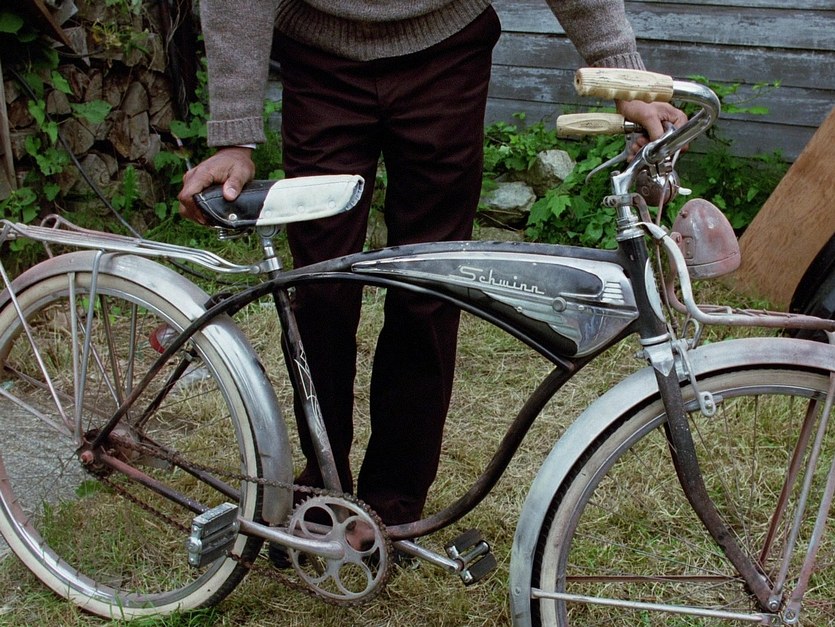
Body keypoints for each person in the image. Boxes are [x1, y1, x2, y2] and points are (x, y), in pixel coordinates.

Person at [178, 0, 687, 549]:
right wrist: (234, 135)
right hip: (320, 58)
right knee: (320, 291)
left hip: (446, 54)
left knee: (430, 289)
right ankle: (322, 486)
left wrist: (624, 75)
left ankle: (393, 505)